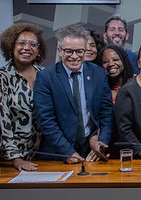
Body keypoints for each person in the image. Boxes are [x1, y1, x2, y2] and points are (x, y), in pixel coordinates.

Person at [33, 24, 114, 163]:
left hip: (91, 152)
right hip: (58, 154)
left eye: (79, 51)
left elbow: (106, 112)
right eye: (69, 51)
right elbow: (46, 120)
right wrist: (67, 152)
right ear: (60, 51)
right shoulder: (46, 77)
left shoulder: (98, 74)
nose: (75, 56)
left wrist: (101, 142)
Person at [0, 22, 47, 171]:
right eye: (21, 43)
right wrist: (15, 158)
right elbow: (1, 121)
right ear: (11, 47)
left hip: (41, 154)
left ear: (38, 50)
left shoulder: (45, 75)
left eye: (33, 44)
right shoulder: (0, 77)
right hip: (10, 159)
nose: (27, 48)